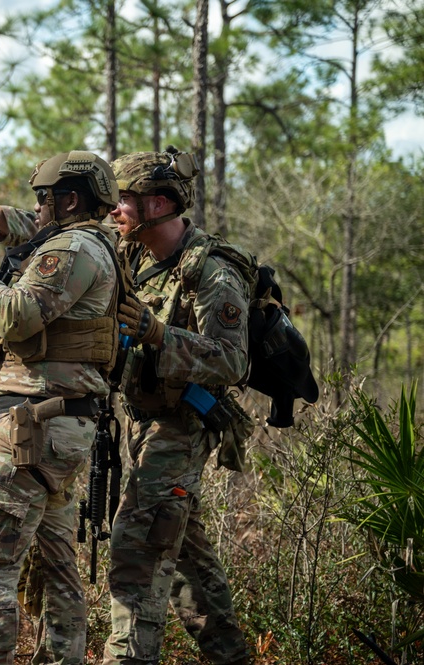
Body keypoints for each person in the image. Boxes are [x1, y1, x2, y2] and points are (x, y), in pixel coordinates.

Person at [0, 150, 121, 664]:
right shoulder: (88, 241)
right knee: (56, 567)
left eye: (43, 199)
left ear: (71, 200)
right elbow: (24, 227)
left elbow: (15, 316)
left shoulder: (73, 249)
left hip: (28, 426)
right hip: (57, 425)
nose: (35, 209)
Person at [102, 147, 252, 665]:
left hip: (184, 423)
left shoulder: (212, 273)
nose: (113, 210)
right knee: (186, 555)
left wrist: (159, 334)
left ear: (159, 205)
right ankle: (231, 655)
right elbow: (52, 225)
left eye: (124, 200)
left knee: (138, 550)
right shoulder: (132, 255)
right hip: (142, 423)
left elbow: (232, 362)